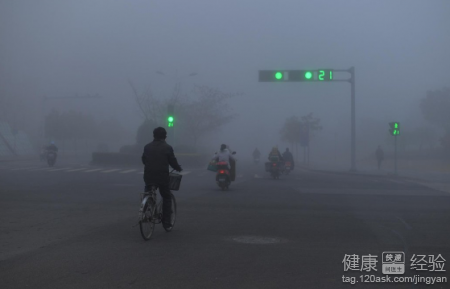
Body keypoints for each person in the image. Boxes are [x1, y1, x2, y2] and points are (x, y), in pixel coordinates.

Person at [141, 127, 182, 229]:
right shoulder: (167, 147)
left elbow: (144, 159)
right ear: (165, 136)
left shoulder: (147, 147)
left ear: (153, 135)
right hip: (162, 177)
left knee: (148, 191)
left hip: (149, 176)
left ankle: (146, 208)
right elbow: (172, 161)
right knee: (166, 197)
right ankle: (167, 223)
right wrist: (178, 168)